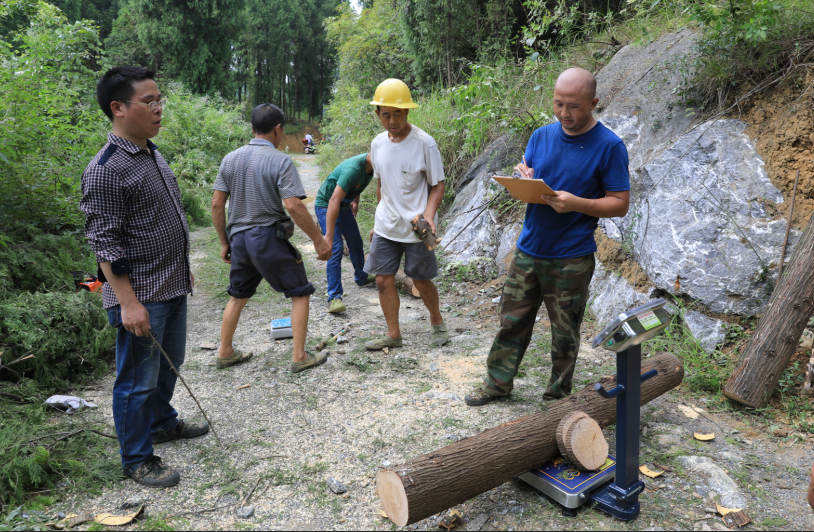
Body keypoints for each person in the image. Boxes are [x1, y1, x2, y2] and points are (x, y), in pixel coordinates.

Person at [465, 67, 631, 407]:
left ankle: (557, 398)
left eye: (574, 106)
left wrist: (576, 204)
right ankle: (496, 384)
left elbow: (620, 203)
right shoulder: (541, 136)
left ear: (593, 103)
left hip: (571, 257)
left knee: (564, 333)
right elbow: (526, 170)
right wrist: (520, 175)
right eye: (558, 105)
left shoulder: (610, 146)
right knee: (511, 322)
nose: (565, 114)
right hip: (528, 250)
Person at [81, 67, 208, 488]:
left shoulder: (150, 152)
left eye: (159, 100)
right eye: (148, 101)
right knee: (136, 380)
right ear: (118, 108)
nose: (158, 109)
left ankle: (162, 421)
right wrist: (128, 303)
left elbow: (161, 219)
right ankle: (136, 458)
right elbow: (106, 245)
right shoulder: (106, 168)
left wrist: (182, 263)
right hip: (141, 295)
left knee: (170, 366)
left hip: (172, 285)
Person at [211, 103, 332, 374]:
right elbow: (294, 205)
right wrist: (318, 239)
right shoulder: (281, 160)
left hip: (239, 238)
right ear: (278, 129)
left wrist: (224, 242)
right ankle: (300, 356)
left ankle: (225, 352)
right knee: (300, 292)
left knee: (238, 295)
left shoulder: (230, 159)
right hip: (267, 237)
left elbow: (217, 204)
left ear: (252, 128)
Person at [363, 78, 449, 350]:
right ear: (377, 114)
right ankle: (393, 334)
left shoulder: (425, 144)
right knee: (382, 280)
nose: (392, 121)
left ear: (407, 112)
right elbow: (381, 185)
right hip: (386, 226)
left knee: (421, 282)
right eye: (385, 115)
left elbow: (438, 185)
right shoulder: (377, 144)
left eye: (397, 114)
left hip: (416, 227)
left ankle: (437, 322)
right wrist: (378, 222)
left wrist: (430, 214)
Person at [314, 153, 376, 313]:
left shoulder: (374, 167)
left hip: (343, 206)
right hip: (327, 205)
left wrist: (355, 201)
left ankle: (362, 277)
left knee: (355, 241)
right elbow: (333, 200)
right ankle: (334, 297)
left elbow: (358, 184)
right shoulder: (353, 169)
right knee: (335, 248)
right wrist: (328, 235)